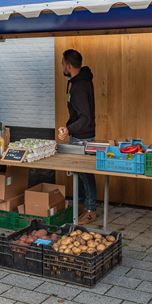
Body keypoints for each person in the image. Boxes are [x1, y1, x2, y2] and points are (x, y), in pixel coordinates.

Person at [57, 49, 98, 224]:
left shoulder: (79, 86)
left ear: (68, 65)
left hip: (82, 137)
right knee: (80, 173)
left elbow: (85, 117)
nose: (61, 66)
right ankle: (82, 205)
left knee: (85, 173)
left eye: (62, 63)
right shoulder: (78, 81)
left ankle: (90, 209)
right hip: (79, 134)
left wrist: (68, 129)